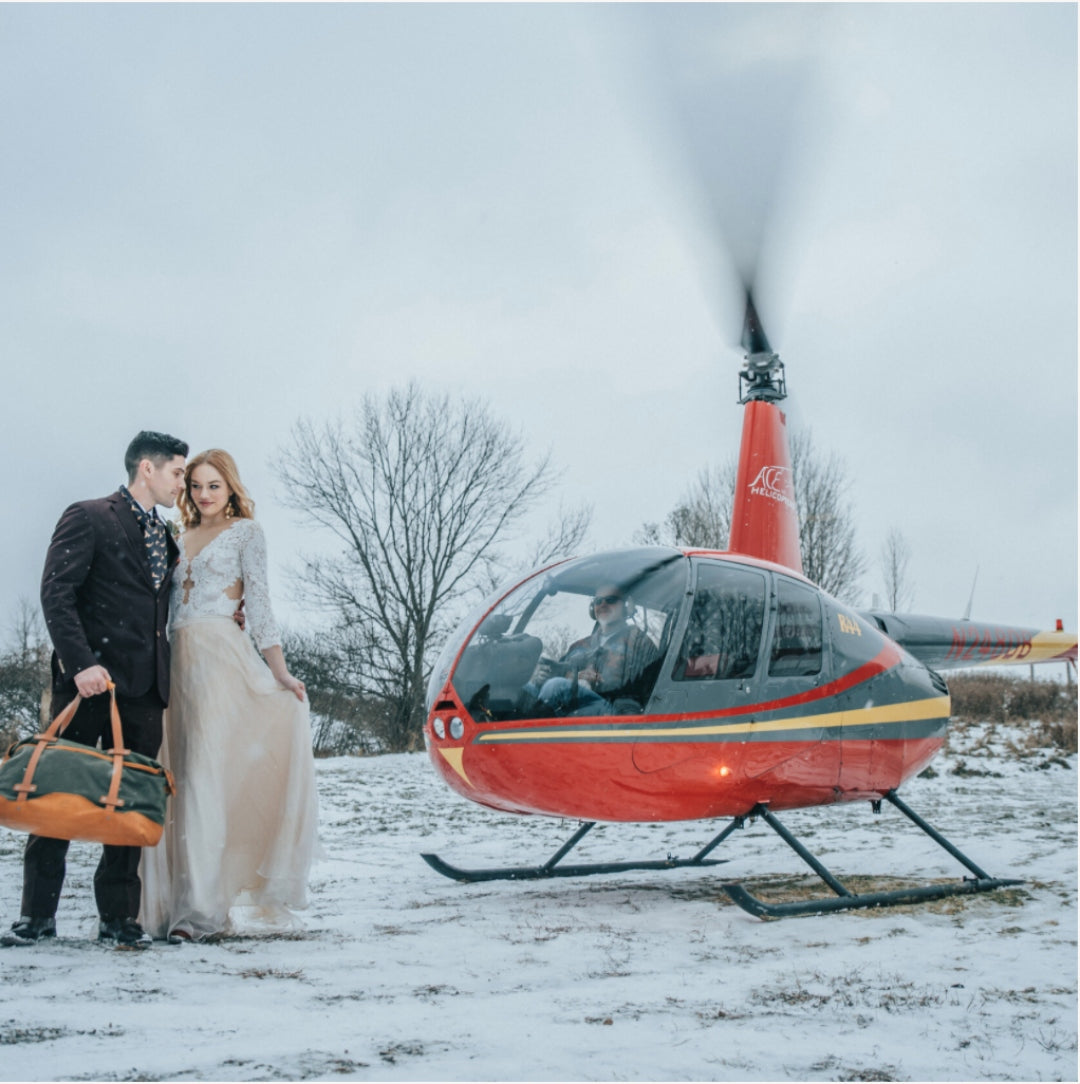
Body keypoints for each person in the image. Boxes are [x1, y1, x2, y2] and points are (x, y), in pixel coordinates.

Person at [2, 431, 189, 949]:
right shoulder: (88, 515)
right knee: (58, 795)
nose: (182, 482)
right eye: (176, 471)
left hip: (147, 689)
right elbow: (55, 593)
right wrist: (81, 663)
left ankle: (118, 920)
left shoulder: (167, 536)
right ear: (146, 469)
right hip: (89, 685)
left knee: (129, 805)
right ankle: (35, 918)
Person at [140, 449, 319, 943]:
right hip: (176, 663)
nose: (203, 494)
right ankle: (168, 905)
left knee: (205, 778)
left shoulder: (246, 533)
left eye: (213, 485)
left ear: (231, 487)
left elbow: (259, 602)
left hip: (221, 659)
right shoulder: (177, 537)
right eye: (195, 485)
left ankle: (201, 910)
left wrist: (279, 671)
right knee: (174, 777)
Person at [531, 585, 660, 715]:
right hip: (574, 708)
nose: (603, 604)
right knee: (527, 689)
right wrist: (544, 677)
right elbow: (559, 680)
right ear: (592, 609)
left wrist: (597, 678)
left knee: (555, 686)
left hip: (615, 713)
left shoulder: (638, 642)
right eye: (598, 601)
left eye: (611, 600)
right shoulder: (579, 645)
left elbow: (651, 688)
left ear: (626, 606)